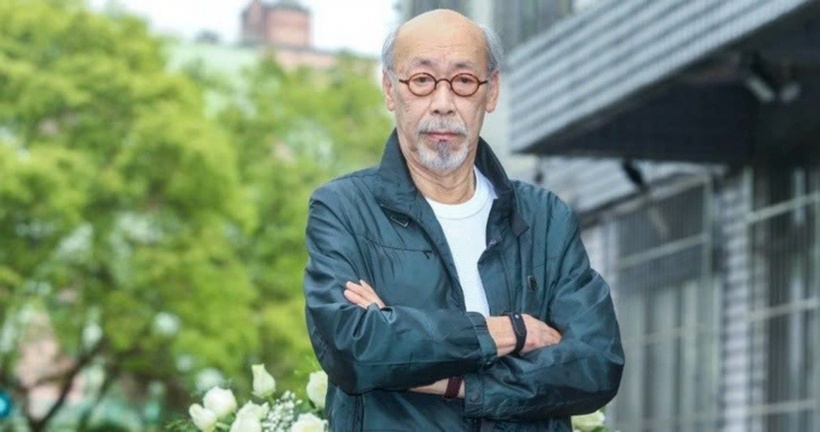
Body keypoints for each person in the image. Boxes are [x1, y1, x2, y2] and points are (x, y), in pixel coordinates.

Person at [303, 9, 623, 431]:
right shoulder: (344, 210)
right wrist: (512, 332)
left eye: (464, 81)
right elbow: (354, 350)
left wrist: (454, 383)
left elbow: (596, 365)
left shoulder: (545, 218)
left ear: (491, 92)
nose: (442, 103)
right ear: (389, 89)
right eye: (422, 81)